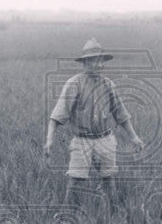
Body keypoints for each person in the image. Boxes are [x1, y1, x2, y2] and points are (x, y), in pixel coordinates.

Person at [45, 38, 145, 210]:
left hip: (105, 139)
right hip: (82, 140)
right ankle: (66, 213)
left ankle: (115, 211)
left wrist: (134, 138)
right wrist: (49, 140)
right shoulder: (74, 84)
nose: (99, 66)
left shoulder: (108, 85)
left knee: (108, 177)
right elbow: (57, 115)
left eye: (101, 61)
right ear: (85, 63)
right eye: (94, 61)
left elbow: (121, 115)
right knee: (75, 179)